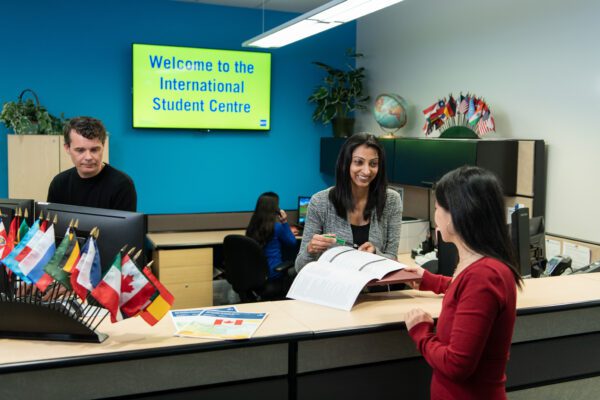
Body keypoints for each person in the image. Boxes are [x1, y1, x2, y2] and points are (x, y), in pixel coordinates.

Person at [403, 166, 523, 400]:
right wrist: (431, 281)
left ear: (457, 214)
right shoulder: (484, 268)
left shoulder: (484, 276)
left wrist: (421, 332)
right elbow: (469, 296)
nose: (435, 215)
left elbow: (456, 365)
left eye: (437, 208)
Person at [295, 133, 402, 272]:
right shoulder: (320, 202)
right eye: (358, 162)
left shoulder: (391, 200)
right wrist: (310, 249)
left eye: (373, 164)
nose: (366, 170)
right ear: (346, 163)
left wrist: (375, 253)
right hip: (333, 289)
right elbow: (299, 268)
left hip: (375, 291)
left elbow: (392, 259)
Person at [47, 116, 137, 212]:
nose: (88, 157)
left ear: (103, 146)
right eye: (80, 150)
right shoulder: (59, 183)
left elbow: (124, 227)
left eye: (94, 150)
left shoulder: (122, 185)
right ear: (67, 148)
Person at [246, 192, 297, 281]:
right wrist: (284, 222)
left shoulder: (252, 226)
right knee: (298, 269)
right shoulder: (277, 227)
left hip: (255, 272)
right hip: (274, 272)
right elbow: (292, 242)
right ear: (275, 208)